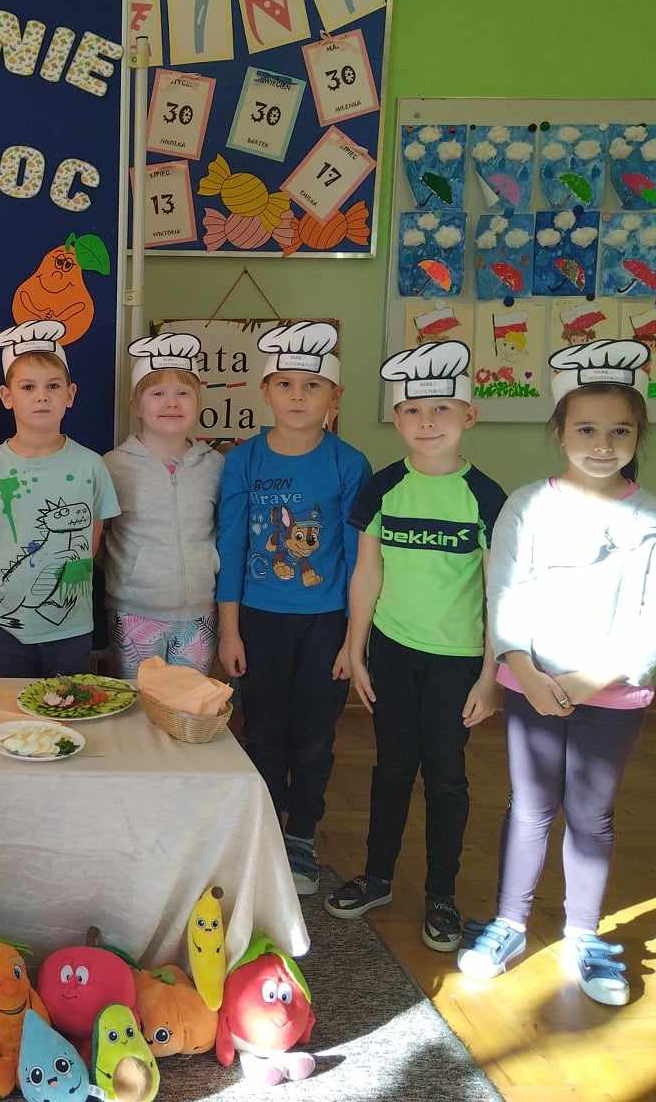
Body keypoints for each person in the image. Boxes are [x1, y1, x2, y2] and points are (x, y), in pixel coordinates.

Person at [459, 340, 656, 1007]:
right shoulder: (527, 506)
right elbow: (505, 588)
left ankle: (583, 936)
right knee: (530, 806)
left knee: (591, 814)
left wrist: (596, 679)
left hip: (611, 695)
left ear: (637, 436)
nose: (602, 444)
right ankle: (509, 924)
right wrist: (521, 667)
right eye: (587, 429)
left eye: (620, 431)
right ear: (560, 432)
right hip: (530, 684)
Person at [324, 342, 505, 952]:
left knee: (447, 777)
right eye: (412, 410)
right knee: (392, 767)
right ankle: (377, 877)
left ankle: (442, 896)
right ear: (397, 419)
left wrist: (490, 675)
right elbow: (366, 573)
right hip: (393, 653)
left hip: (458, 662)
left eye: (442, 409)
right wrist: (356, 650)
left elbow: (499, 591)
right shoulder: (383, 489)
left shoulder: (485, 497)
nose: (427, 421)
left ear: (469, 416)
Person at [215, 320, 369, 895]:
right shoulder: (244, 461)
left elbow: (357, 559)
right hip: (258, 622)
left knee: (313, 736)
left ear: (335, 396)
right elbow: (230, 546)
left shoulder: (348, 464)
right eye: (285, 384)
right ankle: (262, 830)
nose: (298, 396)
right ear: (266, 391)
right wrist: (229, 630)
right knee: (262, 731)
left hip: (326, 625)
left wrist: (353, 642)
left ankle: (301, 833)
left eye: (312, 385)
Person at [0, 320, 118, 678]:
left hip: (72, 626)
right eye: (28, 387)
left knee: (68, 704)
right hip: (7, 626)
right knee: (11, 708)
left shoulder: (91, 465)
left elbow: (93, 539)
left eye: (53, 386)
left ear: (70, 394)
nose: (42, 396)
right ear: (7, 397)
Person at [102, 333, 224, 680]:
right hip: (132, 612)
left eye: (183, 393)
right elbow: (99, 536)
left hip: (199, 613)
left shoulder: (216, 466)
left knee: (188, 702)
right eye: (157, 394)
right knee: (138, 702)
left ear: (198, 402)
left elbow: (223, 531)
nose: (171, 403)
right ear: (136, 405)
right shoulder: (113, 466)